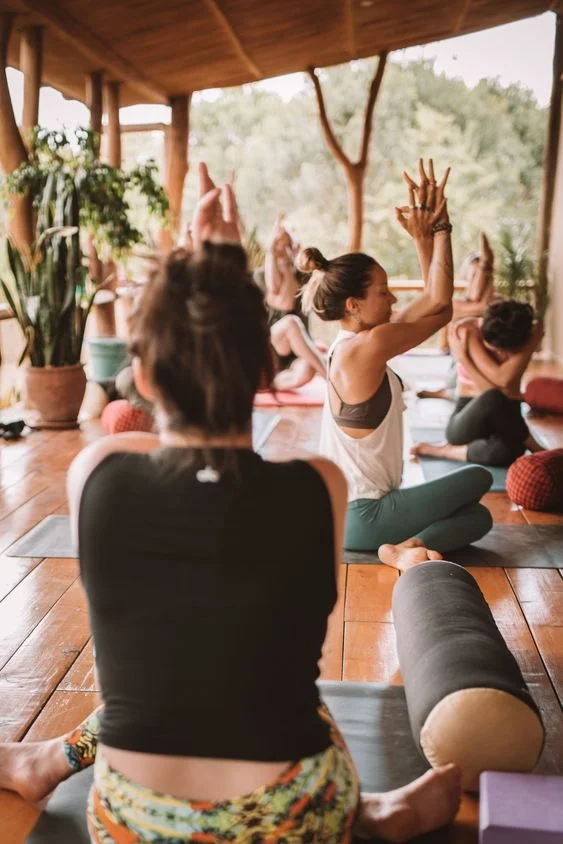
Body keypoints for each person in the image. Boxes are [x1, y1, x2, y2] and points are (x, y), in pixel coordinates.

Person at [0, 163, 462, 843]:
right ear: (262, 371)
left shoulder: (100, 471)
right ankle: (370, 812)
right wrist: (218, 261)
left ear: (146, 376)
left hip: (132, 823)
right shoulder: (318, 486)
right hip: (295, 819)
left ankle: (49, 759)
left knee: (179, 666)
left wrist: (201, 259)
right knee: (270, 675)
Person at [298, 159, 493, 564]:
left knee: (478, 518)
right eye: (383, 292)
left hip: (349, 514)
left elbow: (436, 308)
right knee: (479, 477)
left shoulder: (356, 343)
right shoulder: (365, 348)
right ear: (354, 305)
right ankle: (397, 547)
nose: (393, 299)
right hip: (364, 513)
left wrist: (424, 241)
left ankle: (408, 547)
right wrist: (440, 227)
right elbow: (440, 305)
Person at [412, 300, 544, 466]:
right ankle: (533, 444)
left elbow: (503, 380)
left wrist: (529, 346)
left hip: (508, 417)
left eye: (509, 352)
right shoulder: (467, 331)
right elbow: (498, 387)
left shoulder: (522, 331)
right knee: (495, 397)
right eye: (494, 349)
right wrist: (463, 359)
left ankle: (446, 451)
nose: (501, 353)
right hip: (467, 420)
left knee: (510, 451)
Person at [417, 232, 496, 399]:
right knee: (475, 308)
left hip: (483, 362)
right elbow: (481, 305)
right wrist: (486, 266)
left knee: (481, 308)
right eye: (474, 274)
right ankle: (448, 391)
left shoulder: (496, 303)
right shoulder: (458, 305)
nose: (476, 279)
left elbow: (482, 304)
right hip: (462, 359)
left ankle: (448, 392)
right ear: (466, 275)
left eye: (480, 275)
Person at [265, 215, 327, 390]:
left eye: (287, 245)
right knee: (291, 323)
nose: (284, 249)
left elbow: (290, 294)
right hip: (272, 347)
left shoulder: (301, 276)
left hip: (292, 355)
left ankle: (267, 384)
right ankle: (330, 377)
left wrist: (288, 261)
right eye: (281, 246)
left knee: (307, 369)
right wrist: (276, 256)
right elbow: (285, 304)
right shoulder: (260, 277)